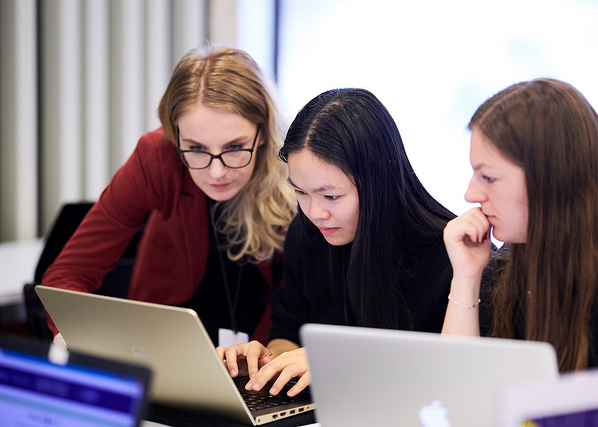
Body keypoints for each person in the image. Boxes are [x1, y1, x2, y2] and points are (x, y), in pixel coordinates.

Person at [42, 44, 297, 347]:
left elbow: (300, 298)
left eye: (234, 147)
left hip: (265, 348)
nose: (216, 172)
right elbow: (69, 274)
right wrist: (74, 334)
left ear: (264, 132)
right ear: (174, 135)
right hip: (166, 344)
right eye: (196, 148)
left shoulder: (295, 168)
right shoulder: (158, 155)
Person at [217, 88, 457, 396]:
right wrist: (271, 359)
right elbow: (288, 333)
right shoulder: (306, 235)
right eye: (300, 192)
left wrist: (332, 363)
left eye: (331, 196)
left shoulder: (447, 254)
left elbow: (449, 374)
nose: (316, 213)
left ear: (378, 182)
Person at [442, 78, 598, 372]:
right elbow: (458, 389)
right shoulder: (517, 256)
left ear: (552, 178)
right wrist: (466, 278)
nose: (471, 195)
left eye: (489, 178)